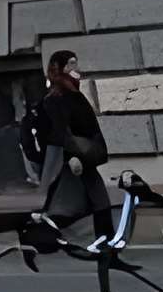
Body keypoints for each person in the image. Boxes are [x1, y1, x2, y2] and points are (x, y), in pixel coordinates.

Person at [32, 49, 112, 226]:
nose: (76, 67)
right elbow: (58, 130)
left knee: (94, 201)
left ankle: (103, 239)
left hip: (84, 154)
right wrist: (70, 157)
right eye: (71, 63)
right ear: (60, 68)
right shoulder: (56, 98)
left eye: (75, 62)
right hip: (74, 156)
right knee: (69, 202)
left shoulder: (73, 93)